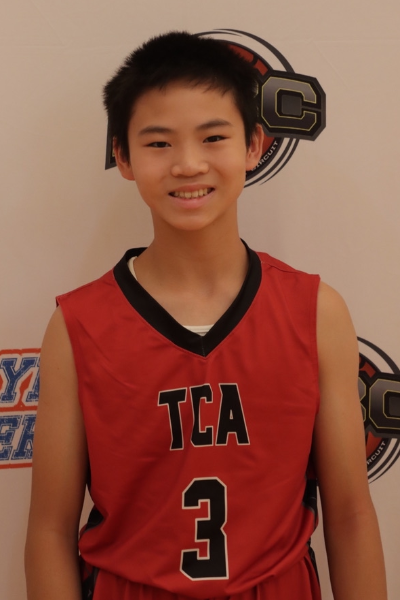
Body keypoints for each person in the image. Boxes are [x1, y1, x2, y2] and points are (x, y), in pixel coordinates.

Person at [25, 31, 387, 600]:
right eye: (159, 143)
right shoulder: (79, 326)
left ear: (254, 145)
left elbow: (350, 515)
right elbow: (49, 529)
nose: (188, 164)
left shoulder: (316, 312)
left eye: (214, 137)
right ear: (122, 156)